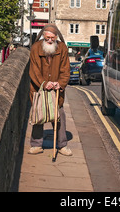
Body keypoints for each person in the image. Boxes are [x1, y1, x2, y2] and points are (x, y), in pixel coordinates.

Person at [28, 24, 72, 155]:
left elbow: (65, 69)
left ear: (56, 37)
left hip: (56, 90)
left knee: (59, 116)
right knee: (38, 115)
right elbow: (34, 70)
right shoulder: (36, 48)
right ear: (43, 36)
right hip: (38, 89)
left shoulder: (62, 48)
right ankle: (36, 145)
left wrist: (60, 83)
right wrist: (44, 83)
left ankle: (62, 145)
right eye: (47, 37)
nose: (50, 40)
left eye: (52, 38)